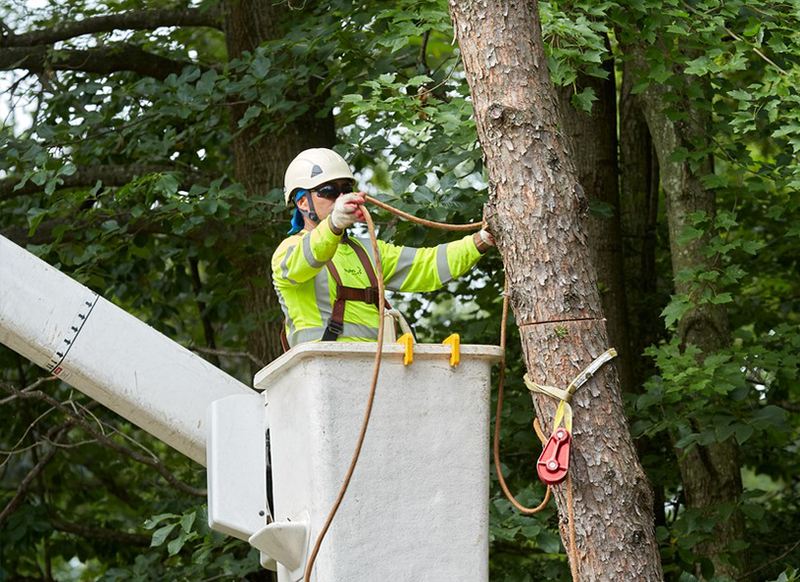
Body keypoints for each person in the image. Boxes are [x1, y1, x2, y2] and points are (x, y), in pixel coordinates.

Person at [272, 148, 495, 349]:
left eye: (346, 188)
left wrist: (481, 240)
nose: (342, 197)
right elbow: (310, 256)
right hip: (319, 373)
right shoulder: (288, 252)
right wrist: (333, 224)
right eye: (329, 191)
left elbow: (427, 265)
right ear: (302, 203)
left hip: (377, 371)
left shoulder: (368, 252)